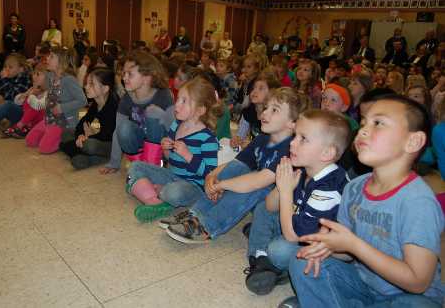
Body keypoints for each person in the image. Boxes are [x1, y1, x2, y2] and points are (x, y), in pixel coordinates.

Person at [281, 95, 444, 308]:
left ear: (413, 142)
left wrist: (354, 245)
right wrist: (329, 246)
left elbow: (418, 282)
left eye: (378, 123)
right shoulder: (354, 187)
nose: (363, 130)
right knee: (301, 261)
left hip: (407, 296)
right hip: (362, 283)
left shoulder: (418, 201)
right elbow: (348, 255)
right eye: (365, 122)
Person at [163, 88, 307, 244]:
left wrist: (222, 185)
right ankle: (195, 213)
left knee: (257, 186)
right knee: (236, 169)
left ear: (292, 123)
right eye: (266, 108)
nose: (265, 113)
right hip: (254, 197)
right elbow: (236, 164)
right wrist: (212, 176)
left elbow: (258, 181)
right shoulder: (262, 139)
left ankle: (208, 226)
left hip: (278, 207)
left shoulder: (290, 149)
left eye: (274, 110)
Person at [245, 109, 351, 296]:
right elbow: (270, 207)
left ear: (327, 153)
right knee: (262, 208)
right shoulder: (307, 168)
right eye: (295, 136)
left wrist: (286, 191)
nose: (292, 143)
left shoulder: (329, 187)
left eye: (303, 139)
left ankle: (267, 254)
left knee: (279, 250)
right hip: (300, 226)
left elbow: (293, 236)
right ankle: (261, 260)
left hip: (320, 248)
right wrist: (281, 186)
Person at [128, 76, 221, 222]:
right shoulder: (176, 125)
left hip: (193, 186)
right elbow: (169, 159)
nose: (177, 105)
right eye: (178, 99)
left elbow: (210, 174)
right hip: (171, 176)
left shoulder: (207, 138)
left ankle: (155, 191)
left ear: (200, 110)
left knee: (174, 192)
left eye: (184, 101)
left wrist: (188, 155)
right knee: (135, 166)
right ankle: (155, 201)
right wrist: (166, 147)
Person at [100, 51, 174, 174]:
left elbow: (173, 128)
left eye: (130, 74)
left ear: (147, 77)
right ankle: (139, 164)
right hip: (140, 143)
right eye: (124, 73)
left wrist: (173, 163)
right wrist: (114, 162)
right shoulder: (126, 98)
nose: (124, 78)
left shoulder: (163, 94)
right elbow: (117, 131)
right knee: (123, 128)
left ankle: (154, 163)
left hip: (161, 144)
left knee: (153, 112)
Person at [25, 47, 86, 154]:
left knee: (44, 148)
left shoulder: (69, 80)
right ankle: (51, 133)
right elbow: (43, 88)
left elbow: (83, 100)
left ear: (61, 61)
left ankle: (65, 138)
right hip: (49, 118)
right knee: (30, 141)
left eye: (51, 56)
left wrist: (62, 108)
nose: (48, 59)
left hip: (64, 121)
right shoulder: (50, 76)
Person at [60, 68, 119, 169]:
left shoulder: (113, 106)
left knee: (90, 146)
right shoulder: (95, 103)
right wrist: (80, 136)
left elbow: (109, 135)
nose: (86, 87)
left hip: (110, 145)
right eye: (86, 83)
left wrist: (90, 136)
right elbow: (81, 124)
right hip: (94, 138)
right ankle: (81, 157)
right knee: (66, 133)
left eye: (91, 84)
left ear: (105, 89)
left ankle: (72, 150)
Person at [2, 64, 48, 139]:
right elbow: (17, 102)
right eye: (34, 73)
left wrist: (32, 95)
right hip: (28, 120)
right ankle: (24, 127)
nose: (34, 76)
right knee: (28, 101)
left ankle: (21, 125)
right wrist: (25, 94)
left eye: (38, 74)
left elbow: (39, 106)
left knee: (34, 106)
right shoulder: (32, 89)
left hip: (40, 121)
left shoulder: (47, 92)